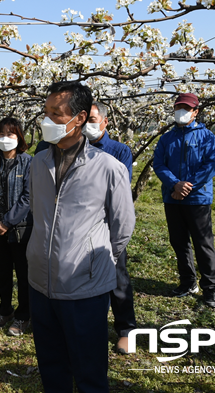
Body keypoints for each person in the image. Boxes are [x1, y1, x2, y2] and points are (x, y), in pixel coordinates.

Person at [27, 81, 135, 393]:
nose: (47, 121)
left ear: (80, 118)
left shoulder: (109, 168)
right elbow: (38, 211)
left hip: (83, 290)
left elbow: (122, 226)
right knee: (52, 371)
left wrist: (92, 263)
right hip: (40, 284)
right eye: (45, 113)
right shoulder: (37, 163)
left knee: (90, 376)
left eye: (56, 114)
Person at [153, 93, 215, 308]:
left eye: (186, 108)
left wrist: (186, 186)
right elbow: (159, 164)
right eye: (178, 107)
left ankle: (210, 289)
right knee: (179, 242)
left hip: (198, 199)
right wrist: (175, 185)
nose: (181, 112)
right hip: (172, 198)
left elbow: (211, 166)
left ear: (195, 111)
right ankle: (188, 282)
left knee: (203, 244)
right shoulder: (167, 138)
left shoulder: (207, 136)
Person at [83, 101, 137, 354]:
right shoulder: (73, 148)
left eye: (93, 120)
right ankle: (90, 327)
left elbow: (120, 189)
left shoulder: (119, 150)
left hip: (107, 223)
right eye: (85, 120)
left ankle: (126, 330)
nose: (88, 125)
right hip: (80, 224)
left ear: (105, 122)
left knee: (118, 278)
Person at [0, 117, 33, 336]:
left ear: (19, 137)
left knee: (23, 273)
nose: (5, 139)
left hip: (20, 229)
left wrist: (7, 222)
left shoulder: (28, 162)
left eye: (10, 134)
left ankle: (23, 316)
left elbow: (28, 197)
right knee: (2, 271)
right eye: (1, 134)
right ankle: (5, 310)